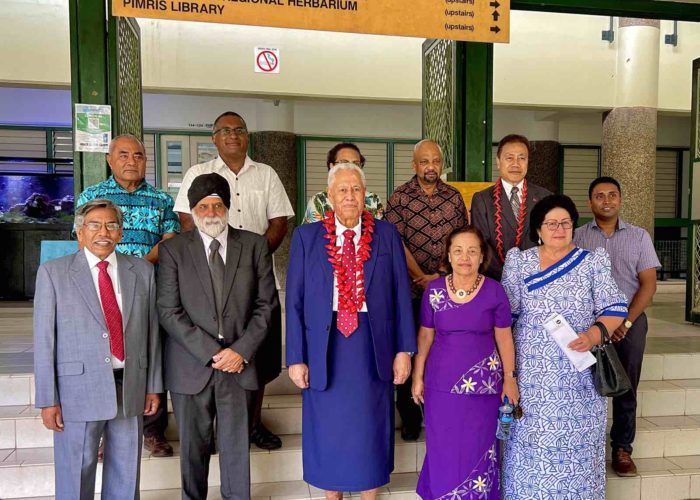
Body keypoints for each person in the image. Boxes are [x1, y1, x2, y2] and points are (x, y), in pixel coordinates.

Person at [286, 163, 416, 498]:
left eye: (355, 189)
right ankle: (333, 496)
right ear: (329, 196)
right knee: (328, 429)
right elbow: (295, 301)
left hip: (372, 346)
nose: (349, 196)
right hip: (324, 346)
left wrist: (405, 350)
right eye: (342, 190)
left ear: (365, 195)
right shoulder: (306, 237)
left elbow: (401, 294)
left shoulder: (386, 234)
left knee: (369, 428)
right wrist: (296, 357)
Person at [173, 111, 294, 450]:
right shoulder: (199, 173)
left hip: (254, 275)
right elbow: (186, 219)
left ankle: (252, 423)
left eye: (238, 129)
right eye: (224, 130)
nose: (232, 135)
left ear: (247, 136)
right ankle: (211, 427)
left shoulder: (266, 174)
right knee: (211, 344)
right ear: (213, 137)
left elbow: (279, 222)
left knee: (257, 348)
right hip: (206, 275)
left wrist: (249, 258)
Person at [158, 173, 278, 500]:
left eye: (217, 205)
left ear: (227, 207)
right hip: (191, 366)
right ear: (192, 210)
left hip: (241, 365)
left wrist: (240, 350)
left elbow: (266, 304)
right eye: (203, 206)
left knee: (236, 449)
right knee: (193, 452)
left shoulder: (253, 246)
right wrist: (212, 352)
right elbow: (168, 310)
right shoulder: (173, 251)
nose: (211, 212)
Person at [501, 194, 628, 499]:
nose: (559, 229)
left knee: (578, 452)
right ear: (538, 229)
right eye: (551, 223)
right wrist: (509, 374)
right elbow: (505, 319)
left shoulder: (592, 262)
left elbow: (615, 308)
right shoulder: (520, 261)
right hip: (532, 377)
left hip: (578, 377)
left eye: (566, 223)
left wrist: (594, 335)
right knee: (529, 448)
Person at [33, 199, 162, 499]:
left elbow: (152, 332)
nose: (103, 231)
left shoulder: (142, 271)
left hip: (129, 387)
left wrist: (153, 385)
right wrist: (47, 399)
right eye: (94, 225)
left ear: (120, 233)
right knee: (76, 473)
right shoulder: (53, 273)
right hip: (77, 391)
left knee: (126, 474)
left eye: (111, 225)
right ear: (80, 232)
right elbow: (44, 341)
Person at [77, 134, 179, 457]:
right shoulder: (93, 196)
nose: (131, 161)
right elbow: (83, 241)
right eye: (123, 155)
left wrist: (139, 267)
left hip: (149, 287)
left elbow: (171, 239)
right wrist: (117, 268)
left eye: (138, 155)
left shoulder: (161, 199)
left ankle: (153, 430)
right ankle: (106, 429)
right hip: (104, 288)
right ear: (110, 159)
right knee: (106, 354)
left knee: (151, 352)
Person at [412, 226, 517, 499]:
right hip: (441, 386)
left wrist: (510, 378)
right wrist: (417, 375)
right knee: (442, 447)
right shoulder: (434, 291)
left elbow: (505, 339)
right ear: (448, 254)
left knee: (478, 447)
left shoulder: (494, 292)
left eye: (472, 251)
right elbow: (425, 335)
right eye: (458, 250)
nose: (465, 257)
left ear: (482, 256)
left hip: (484, 389)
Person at [574, 176, 660, 477]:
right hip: (588, 323)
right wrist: (600, 326)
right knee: (586, 385)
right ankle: (587, 447)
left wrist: (624, 321)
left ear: (620, 199)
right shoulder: (578, 238)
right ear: (590, 202)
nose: (606, 200)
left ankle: (622, 448)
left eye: (612, 195)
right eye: (599, 196)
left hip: (630, 321)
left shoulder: (639, 237)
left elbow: (648, 285)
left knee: (625, 384)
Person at [384, 138, 468, 440]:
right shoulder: (400, 197)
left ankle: (437, 410)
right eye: (424, 161)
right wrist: (420, 276)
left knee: (441, 350)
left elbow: (461, 240)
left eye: (435, 161)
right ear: (414, 164)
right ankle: (408, 416)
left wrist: (439, 274)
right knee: (409, 346)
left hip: (446, 286)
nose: (430, 167)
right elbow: (395, 241)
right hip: (408, 288)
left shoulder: (454, 197)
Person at [471, 134, 552, 281]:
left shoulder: (545, 197)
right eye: (509, 158)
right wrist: (506, 277)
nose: (516, 164)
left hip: (537, 280)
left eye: (522, 158)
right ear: (498, 161)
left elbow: (551, 240)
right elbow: (481, 243)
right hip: (495, 280)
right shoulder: (482, 199)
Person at [302, 142, 383, 223]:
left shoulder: (373, 200)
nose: (350, 167)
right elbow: (312, 234)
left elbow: (382, 232)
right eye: (344, 162)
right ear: (331, 166)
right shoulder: (318, 200)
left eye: (356, 164)